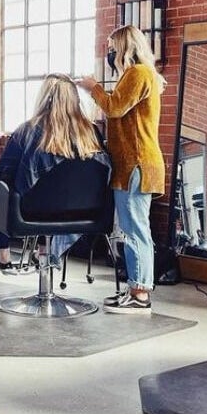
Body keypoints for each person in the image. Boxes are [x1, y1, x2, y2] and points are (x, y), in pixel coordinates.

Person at [0, 73, 110, 271]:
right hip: (84, 212)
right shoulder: (91, 132)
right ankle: (44, 252)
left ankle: (4, 255)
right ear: (74, 99)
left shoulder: (27, 130)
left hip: (31, 212)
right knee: (55, 192)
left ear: (43, 98)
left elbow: (4, 175)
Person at [77, 24, 166, 314]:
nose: (110, 53)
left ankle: (140, 293)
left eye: (113, 48)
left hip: (137, 163)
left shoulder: (139, 74)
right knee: (132, 228)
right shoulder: (135, 75)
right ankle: (135, 288)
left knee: (135, 230)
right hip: (129, 164)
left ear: (126, 47)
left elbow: (114, 108)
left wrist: (93, 89)